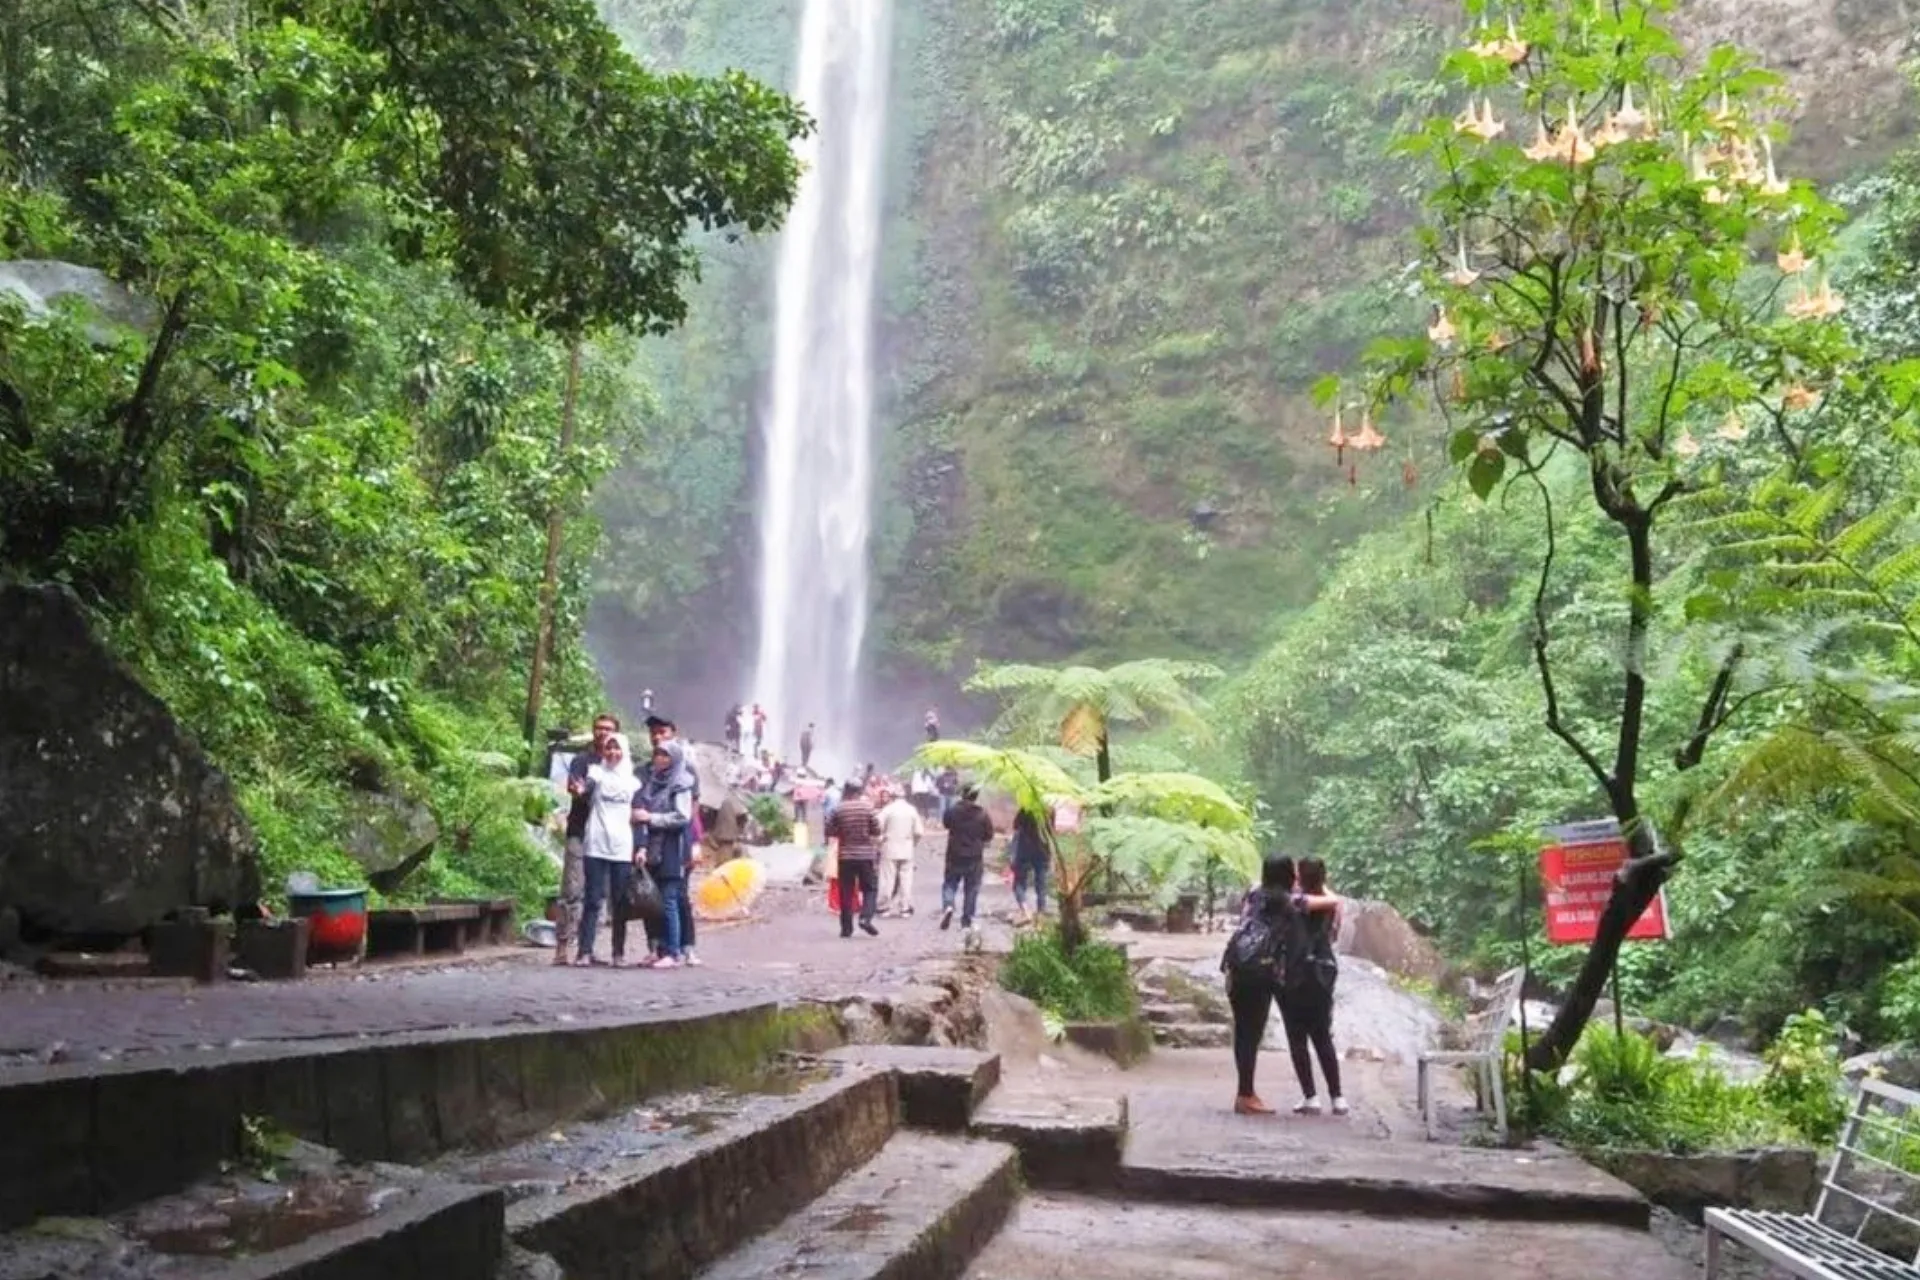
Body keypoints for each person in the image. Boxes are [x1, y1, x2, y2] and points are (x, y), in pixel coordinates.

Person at [1282, 858, 1347, 1116]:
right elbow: (1334, 934)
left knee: (1297, 1037)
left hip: (1296, 973)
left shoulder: (1293, 904)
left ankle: (1311, 1096)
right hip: (1323, 970)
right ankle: (1338, 1096)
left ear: (1299, 876)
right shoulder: (1332, 906)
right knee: (1322, 1036)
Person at [575, 732, 641, 967]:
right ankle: (584, 951)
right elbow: (586, 788)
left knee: (620, 902)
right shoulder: (596, 773)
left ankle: (618, 953)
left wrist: (640, 847)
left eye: (617, 748)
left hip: (622, 845)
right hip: (596, 842)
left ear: (624, 751)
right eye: (609, 748)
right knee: (593, 899)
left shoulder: (633, 782)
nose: (613, 753)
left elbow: (639, 814)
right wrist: (581, 790)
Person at [558, 713, 619, 966]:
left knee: (598, 894)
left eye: (608, 729)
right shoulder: (582, 761)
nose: (603, 732)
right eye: (598, 728)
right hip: (581, 831)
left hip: (606, 838)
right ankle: (562, 947)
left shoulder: (618, 765)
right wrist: (581, 791)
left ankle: (587, 947)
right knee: (572, 889)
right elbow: (576, 787)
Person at [644, 713, 702, 966]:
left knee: (677, 896)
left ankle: (683, 947)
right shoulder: (647, 770)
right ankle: (658, 947)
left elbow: (692, 812)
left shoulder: (685, 772)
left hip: (676, 844)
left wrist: (695, 842)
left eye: (663, 733)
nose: (658, 738)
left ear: (673, 735)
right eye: (654, 733)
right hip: (651, 845)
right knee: (649, 896)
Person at [635, 739, 695, 969]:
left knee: (669, 900)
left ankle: (674, 952)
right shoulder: (652, 782)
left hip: (672, 847)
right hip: (653, 848)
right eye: (657, 754)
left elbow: (682, 816)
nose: (659, 759)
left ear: (675, 759)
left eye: (665, 755)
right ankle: (659, 949)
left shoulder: (681, 783)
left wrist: (651, 818)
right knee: (654, 902)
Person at [826, 779, 882, 938]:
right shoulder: (867, 807)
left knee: (846, 891)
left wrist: (843, 832)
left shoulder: (838, 809)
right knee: (870, 888)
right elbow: (876, 829)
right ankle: (865, 917)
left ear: (846, 791)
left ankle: (846, 928)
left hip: (845, 856)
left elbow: (829, 830)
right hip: (865, 856)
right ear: (859, 791)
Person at [940, 784, 993, 933]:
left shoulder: (952, 811)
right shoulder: (982, 814)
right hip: (975, 857)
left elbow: (946, 824)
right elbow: (989, 835)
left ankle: (948, 905)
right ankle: (966, 922)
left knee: (950, 884)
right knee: (971, 889)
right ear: (976, 796)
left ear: (962, 794)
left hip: (954, 855)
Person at [877, 787, 925, 917]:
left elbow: (876, 826)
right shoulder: (911, 810)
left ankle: (884, 907)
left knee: (887, 878)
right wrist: (913, 843)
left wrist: (880, 839)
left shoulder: (888, 810)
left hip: (889, 847)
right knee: (906, 879)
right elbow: (919, 831)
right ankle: (905, 907)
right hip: (907, 848)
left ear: (892, 797)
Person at [1009, 807, 1051, 924]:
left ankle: (1026, 909)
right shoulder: (1047, 811)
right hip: (1042, 850)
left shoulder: (1025, 809)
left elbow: (1015, 826)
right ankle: (1041, 911)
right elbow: (1051, 830)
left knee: (1019, 882)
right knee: (1041, 883)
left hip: (1025, 850)